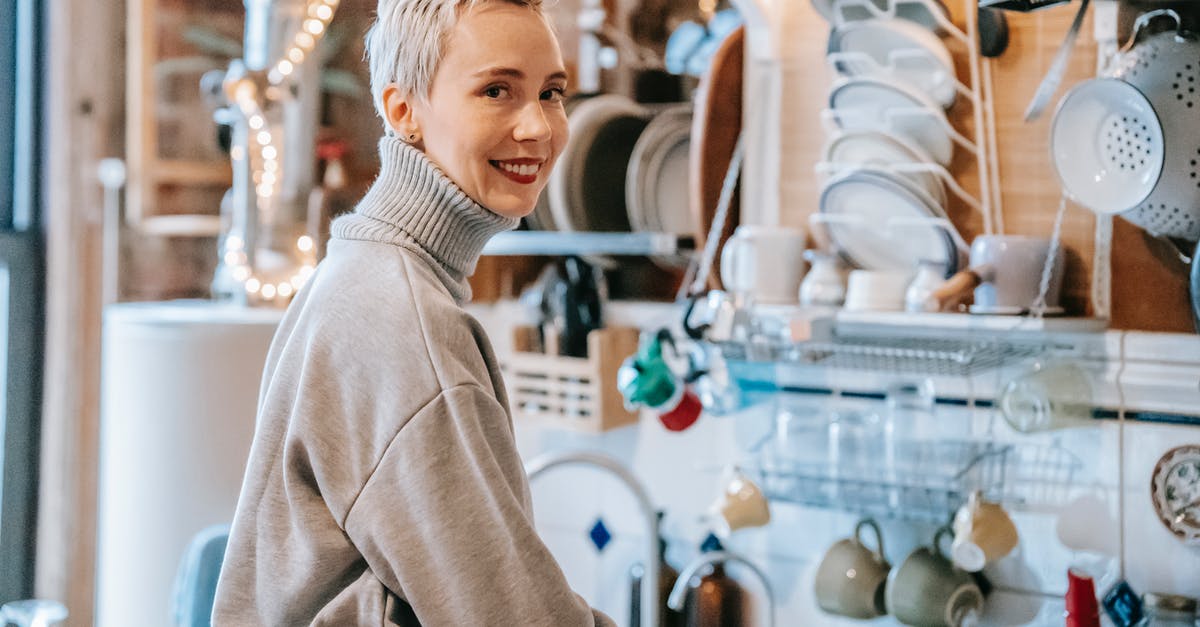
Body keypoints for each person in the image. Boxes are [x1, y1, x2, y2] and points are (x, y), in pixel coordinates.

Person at [211, 0, 615, 624]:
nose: (538, 126)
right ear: (405, 112)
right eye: (497, 91)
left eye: (552, 92)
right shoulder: (405, 323)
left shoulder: (360, 266)